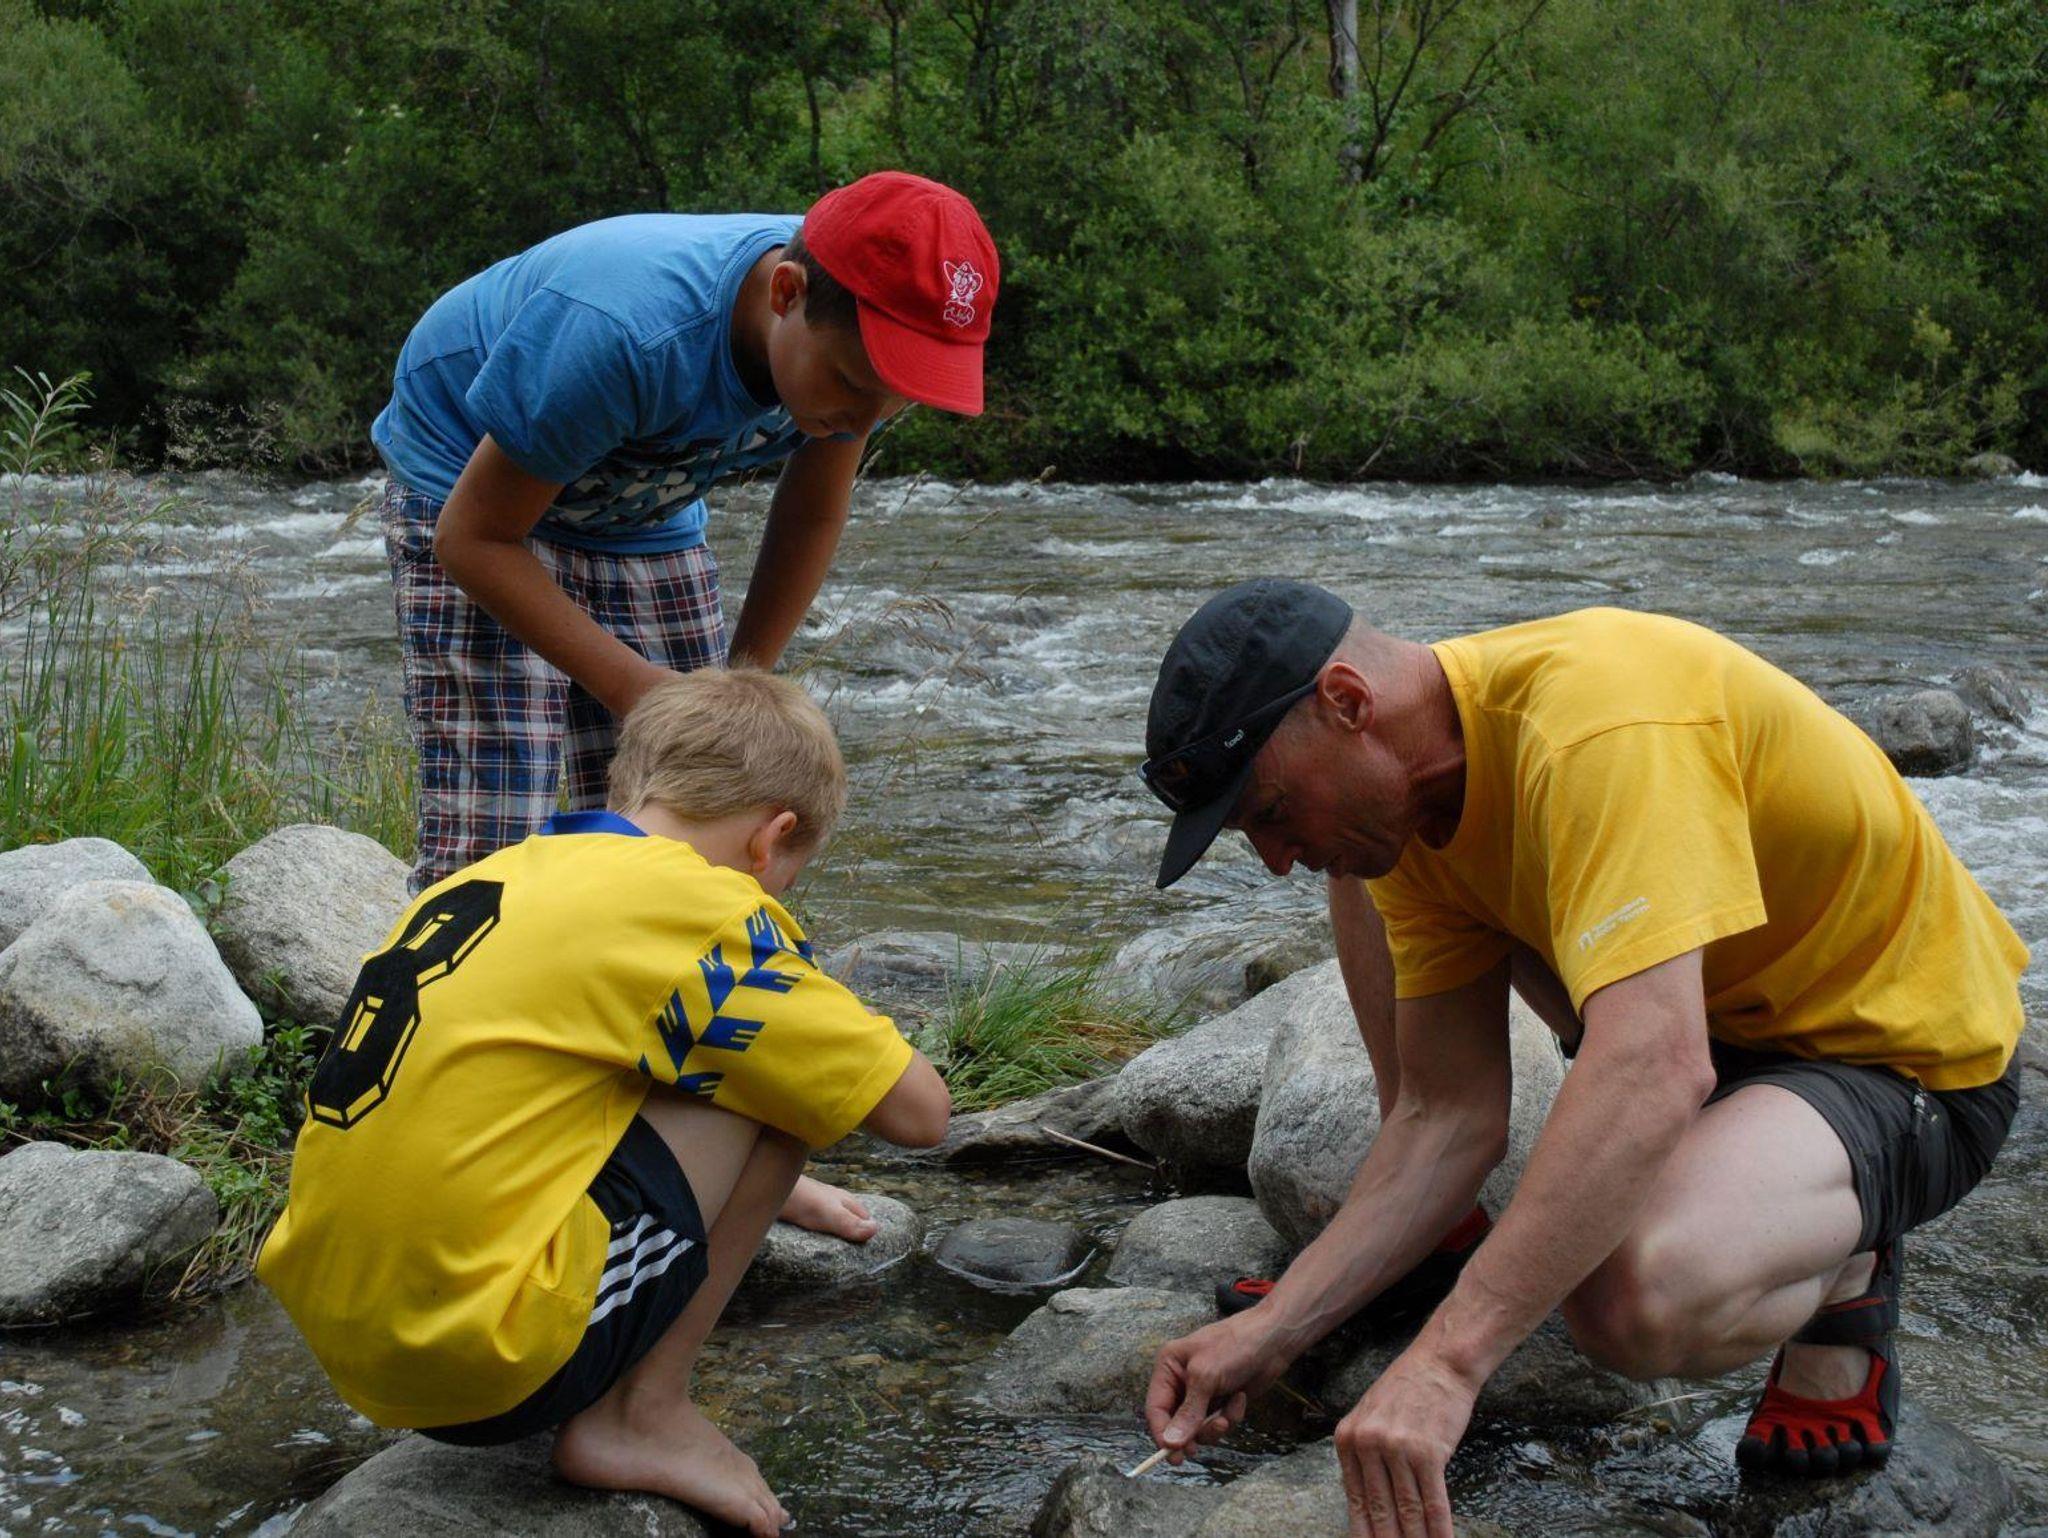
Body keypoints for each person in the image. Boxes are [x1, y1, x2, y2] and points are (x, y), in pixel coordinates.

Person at [1135, 581, 2027, 1538]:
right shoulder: (1418, 795)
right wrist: (1275, 1331)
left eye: (1270, 811)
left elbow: (1656, 1066)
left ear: (1349, 702)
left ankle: (1849, 1257)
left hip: (1897, 1059)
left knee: (1630, 1301)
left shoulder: (1600, 726)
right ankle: (1700, 1187)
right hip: (1713, 1018)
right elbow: (1446, 1115)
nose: (1274, 859)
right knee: (1353, 865)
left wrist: (1447, 1364)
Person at [257, 667, 951, 1536]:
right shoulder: (699, 908)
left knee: (687, 1037)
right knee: (781, 1080)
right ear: (770, 839)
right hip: (474, 1361)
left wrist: (764, 1191)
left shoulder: (498, 875)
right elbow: (919, 1114)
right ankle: (640, 1416)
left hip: (343, 1330)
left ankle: (692, 1260)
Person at [371, 169, 999, 895]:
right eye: (856, 385)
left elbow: (812, 514)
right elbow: (471, 539)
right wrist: (640, 689)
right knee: (496, 843)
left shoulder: (852, 341)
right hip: (470, 476)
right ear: (786, 294)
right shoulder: (630, 332)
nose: (865, 421)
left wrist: (742, 683)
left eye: (898, 398)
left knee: (708, 804)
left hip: (639, 495)